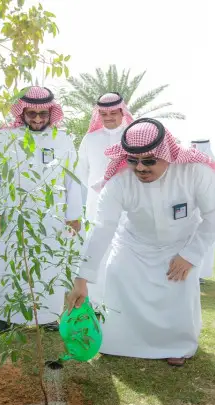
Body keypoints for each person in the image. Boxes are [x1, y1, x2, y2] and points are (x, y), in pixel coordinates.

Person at [66, 118, 215, 366]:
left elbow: (214, 217)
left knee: (177, 290)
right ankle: (119, 343)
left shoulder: (195, 172)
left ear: (167, 155)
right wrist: (81, 279)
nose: (140, 168)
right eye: (133, 160)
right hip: (133, 245)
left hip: (180, 246)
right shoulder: (119, 182)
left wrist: (190, 255)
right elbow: (102, 228)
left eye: (149, 161)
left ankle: (176, 346)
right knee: (118, 276)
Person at [0, 86, 82, 331]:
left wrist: (74, 215)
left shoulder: (63, 139)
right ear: (22, 112)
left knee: (47, 263)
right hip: (11, 213)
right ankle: (4, 316)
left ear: (51, 112)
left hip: (51, 216)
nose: (37, 119)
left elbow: (73, 179)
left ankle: (47, 316)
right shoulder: (5, 137)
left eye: (43, 114)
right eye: (31, 114)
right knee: (9, 262)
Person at [74, 92, 133, 310]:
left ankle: (122, 301)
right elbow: (81, 173)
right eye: (103, 113)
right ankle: (97, 302)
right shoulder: (90, 139)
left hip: (127, 206)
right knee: (97, 249)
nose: (108, 117)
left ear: (122, 111)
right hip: (96, 205)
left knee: (124, 250)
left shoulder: (132, 135)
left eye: (113, 112)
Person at [190, 139, 215, 284]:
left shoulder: (212, 163)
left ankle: (200, 274)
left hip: (207, 211)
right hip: (191, 211)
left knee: (205, 242)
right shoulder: (186, 162)